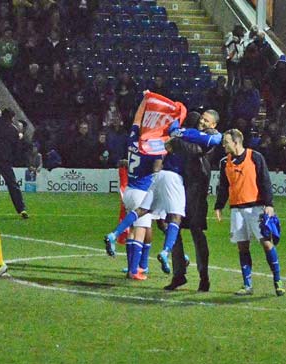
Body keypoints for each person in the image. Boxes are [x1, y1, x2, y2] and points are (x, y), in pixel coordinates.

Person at [105, 117, 222, 275]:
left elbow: (171, 132)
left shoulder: (176, 133)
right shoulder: (195, 137)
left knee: (144, 210)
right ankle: (166, 252)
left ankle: (114, 234)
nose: (202, 123)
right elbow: (214, 140)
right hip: (173, 178)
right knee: (176, 217)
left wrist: (175, 122)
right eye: (201, 120)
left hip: (158, 176)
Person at [215, 129, 285, 296]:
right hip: (236, 209)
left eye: (226, 142)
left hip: (256, 207)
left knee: (267, 244)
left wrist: (269, 203)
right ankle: (247, 285)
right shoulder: (225, 162)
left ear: (236, 142)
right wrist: (219, 205)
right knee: (242, 246)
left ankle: (278, 281)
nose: (224, 145)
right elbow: (224, 186)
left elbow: (265, 180)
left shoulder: (255, 157)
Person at [163, 110, 220, 292]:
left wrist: (176, 141)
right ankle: (179, 275)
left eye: (206, 120)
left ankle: (204, 278)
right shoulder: (192, 133)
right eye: (202, 118)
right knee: (171, 227)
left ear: (213, 125)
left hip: (196, 190)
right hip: (181, 186)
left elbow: (195, 150)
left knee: (196, 232)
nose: (202, 121)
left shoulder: (210, 137)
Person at [119, 122, 163, 280]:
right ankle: (135, 269)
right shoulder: (152, 148)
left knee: (133, 228)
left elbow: (137, 121)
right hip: (142, 192)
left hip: (129, 191)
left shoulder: (132, 140)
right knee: (141, 230)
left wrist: (145, 102)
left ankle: (135, 265)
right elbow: (156, 169)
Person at [0, 108, 28, 219]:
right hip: (5, 160)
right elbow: (16, 148)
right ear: (12, 117)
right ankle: (21, 209)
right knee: (12, 184)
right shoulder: (13, 130)